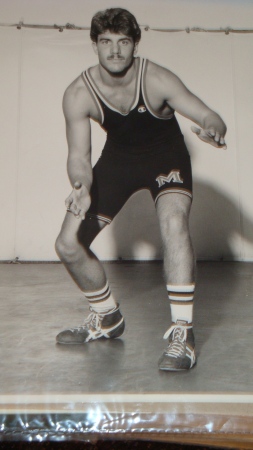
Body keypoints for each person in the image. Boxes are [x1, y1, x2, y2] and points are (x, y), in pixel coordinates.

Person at [55, 7, 227, 371]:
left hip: (166, 159)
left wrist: (214, 129)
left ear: (135, 44)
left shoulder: (157, 79)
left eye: (123, 42)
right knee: (68, 243)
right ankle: (106, 317)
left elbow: (209, 115)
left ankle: (183, 333)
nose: (115, 51)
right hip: (118, 162)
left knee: (174, 223)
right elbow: (79, 157)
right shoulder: (78, 93)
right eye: (106, 42)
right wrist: (81, 185)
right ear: (95, 45)